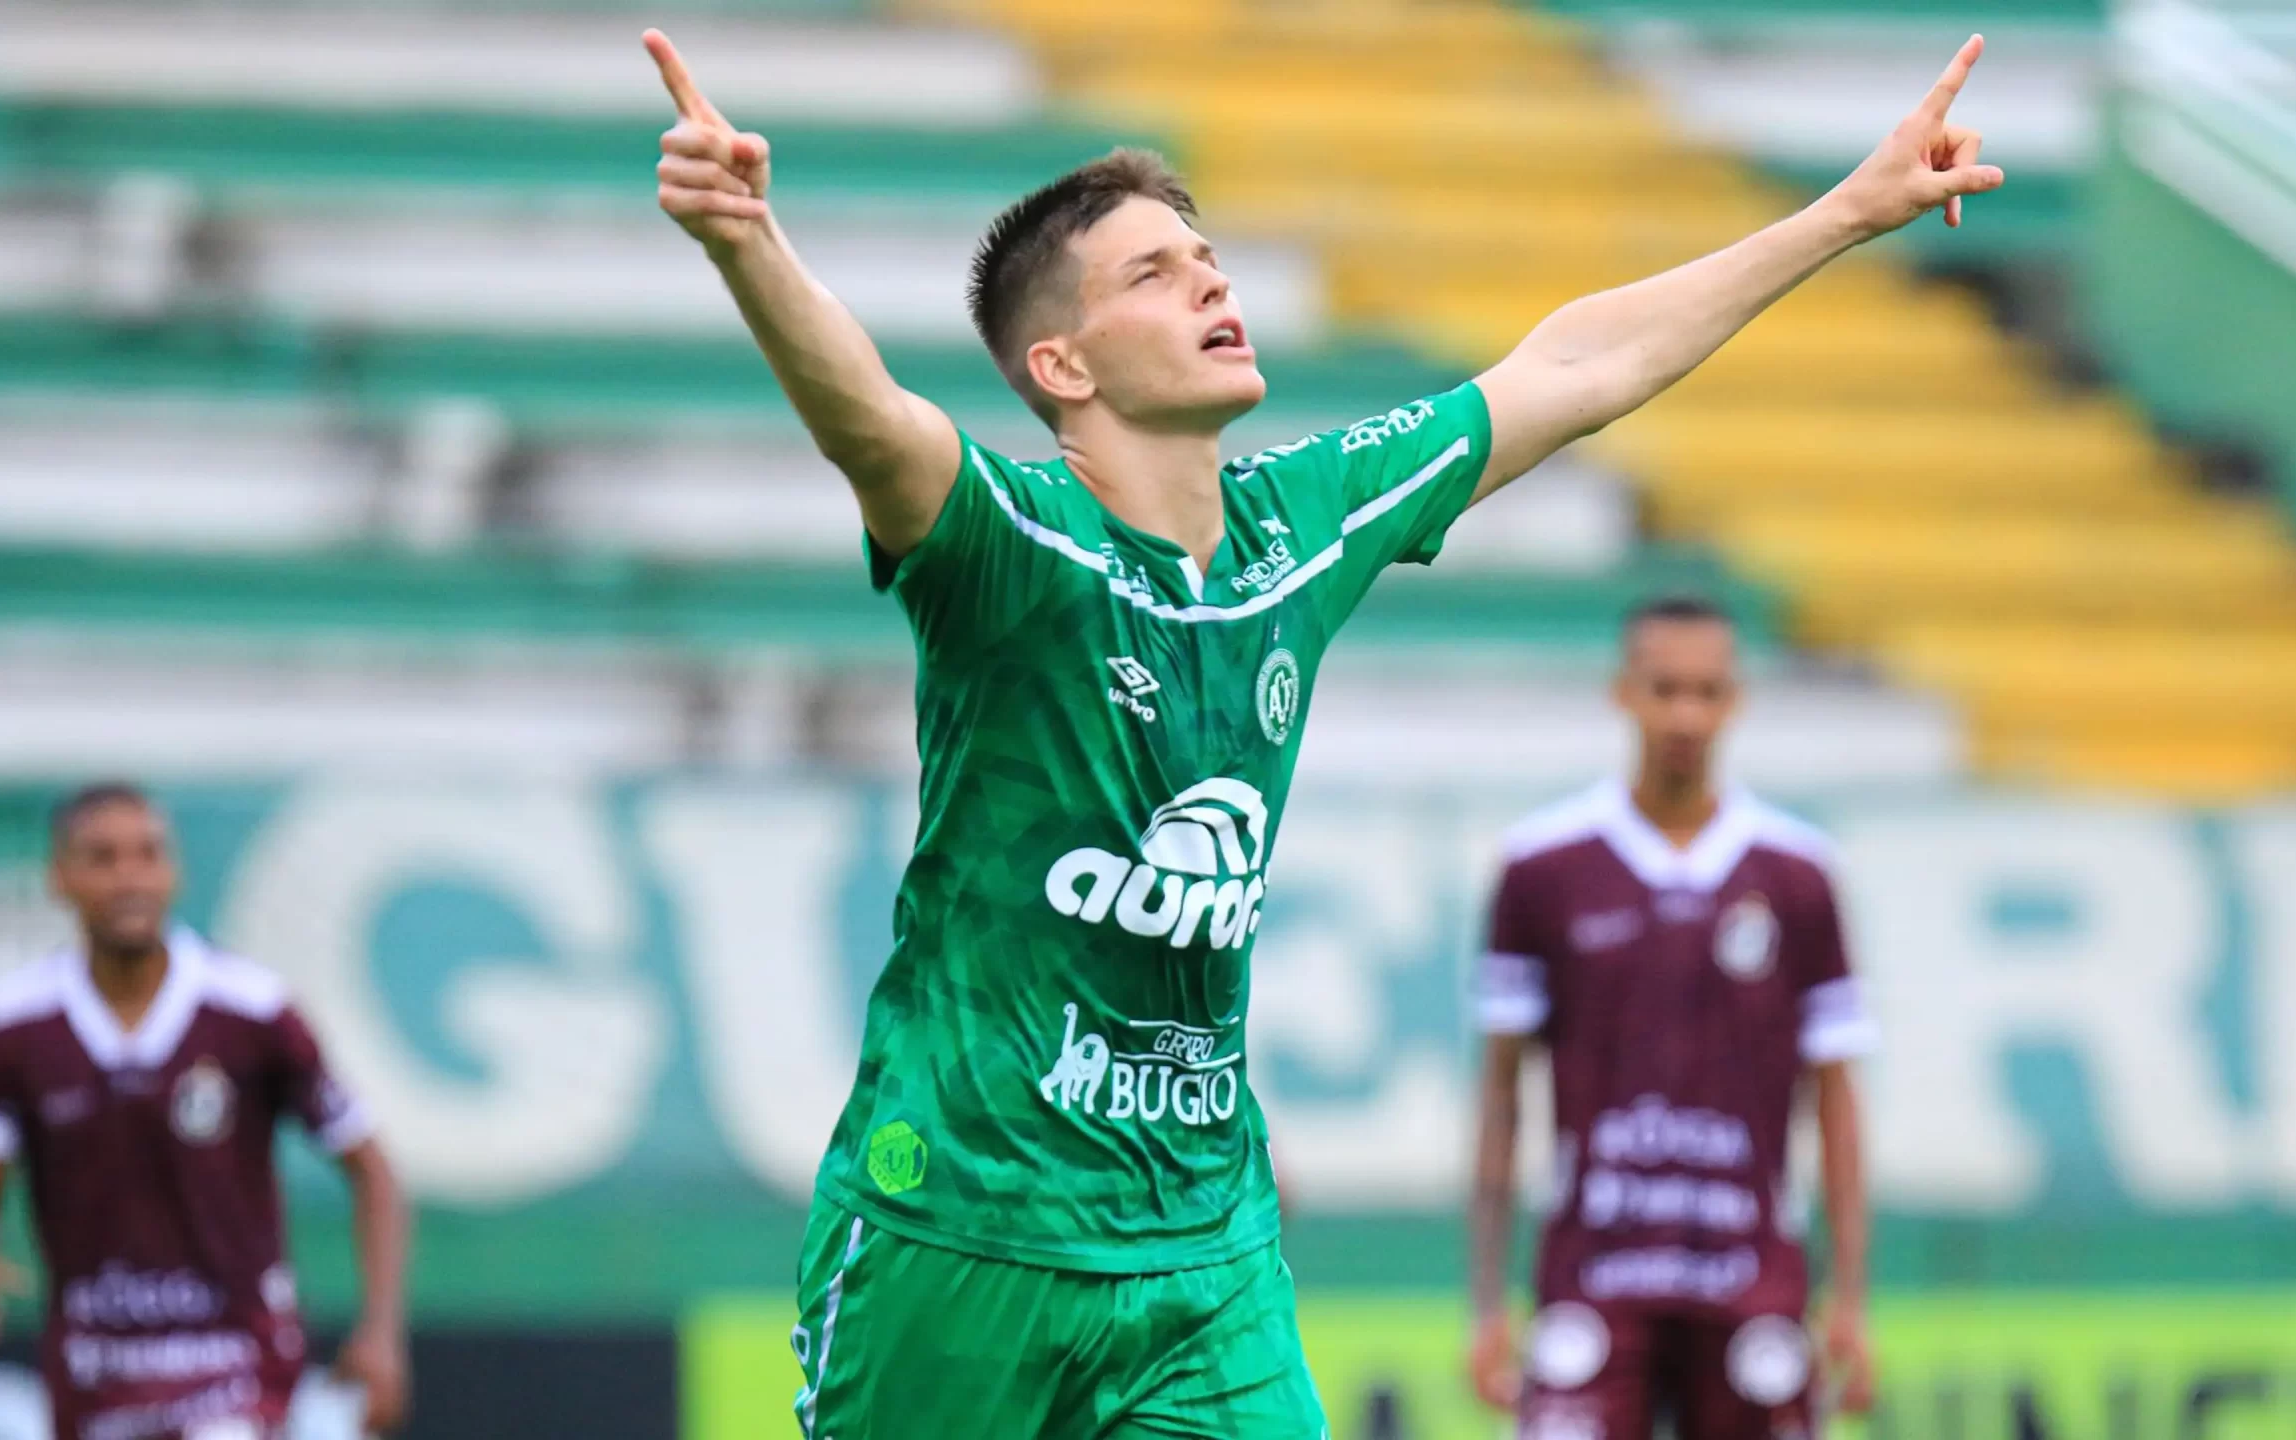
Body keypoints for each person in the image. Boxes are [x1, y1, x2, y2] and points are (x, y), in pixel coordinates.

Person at [639, 23, 1993, 1438]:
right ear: (1065, 366)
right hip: (960, 1238)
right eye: (1152, 273)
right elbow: (875, 427)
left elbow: (1574, 367)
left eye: (1205, 253)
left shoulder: (1300, 529)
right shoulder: (1011, 549)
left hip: (1200, 1257)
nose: (1208, 276)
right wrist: (747, 244)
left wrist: (1845, 214)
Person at [1464, 598, 1879, 1440]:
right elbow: (1502, 1096)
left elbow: (1835, 1094)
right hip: (1594, 1273)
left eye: (1706, 691)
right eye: (1665, 689)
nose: (1685, 714)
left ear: (1736, 701)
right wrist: (1486, 1300)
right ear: (1624, 694)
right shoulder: (1542, 868)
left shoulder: (1798, 876)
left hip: (1751, 1274)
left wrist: (1851, 1297)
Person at [0, 784, 410, 1440]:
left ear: (174, 871)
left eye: (147, 854)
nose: (129, 876)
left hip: (234, 1359)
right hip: (96, 1368)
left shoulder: (251, 1012)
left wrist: (381, 1331)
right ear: (60, 878)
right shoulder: (17, 1026)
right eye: (103, 858)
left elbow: (369, 1165)